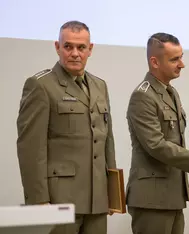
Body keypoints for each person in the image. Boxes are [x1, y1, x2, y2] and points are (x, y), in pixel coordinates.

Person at [16, 20, 116, 234]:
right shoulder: (41, 85)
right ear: (57, 47)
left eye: (81, 47)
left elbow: (107, 140)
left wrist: (112, 192)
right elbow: (30, 148)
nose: (75, 53)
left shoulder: (100, 85)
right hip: (59, 199)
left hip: (97, 199)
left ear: (90, 49)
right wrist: (38, 200)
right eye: (68, 46)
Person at [125, 32, 189, 234]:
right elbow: (157, 146)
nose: (182, 64)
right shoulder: (142, 96)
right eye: (174, 59)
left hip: (173, 195)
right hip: (151, 199)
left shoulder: (171, 92)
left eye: (181, 57)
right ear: (155, 62)